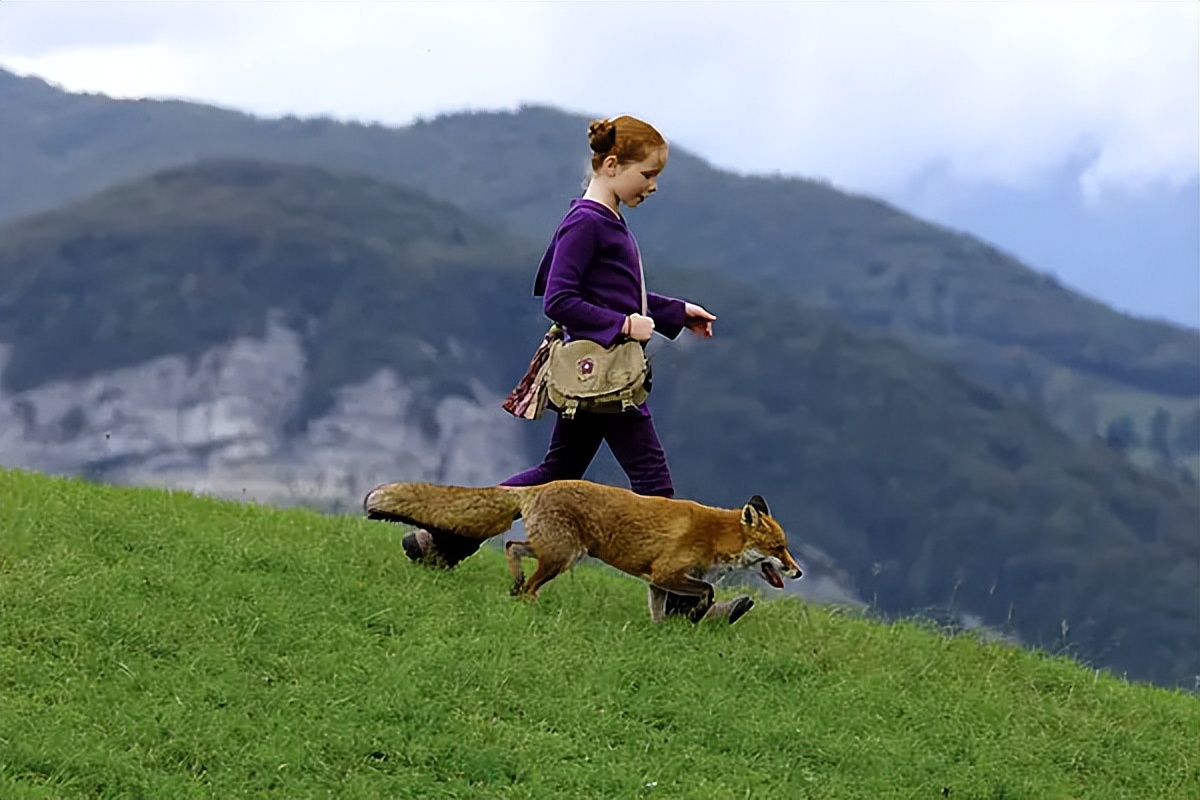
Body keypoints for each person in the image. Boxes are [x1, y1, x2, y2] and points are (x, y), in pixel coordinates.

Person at [402, 114, 754, 623]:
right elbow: (560, 299)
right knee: (656, 490)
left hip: (597, 378)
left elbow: (610, 293)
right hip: (602, 378)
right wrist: (622, 327)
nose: (652, 186)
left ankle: (442, 541)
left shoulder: (602, 218)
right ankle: (679, 611)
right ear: (612, 165)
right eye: (647, 174)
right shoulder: (587, 222)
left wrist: (674, 312)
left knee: (555, 474)